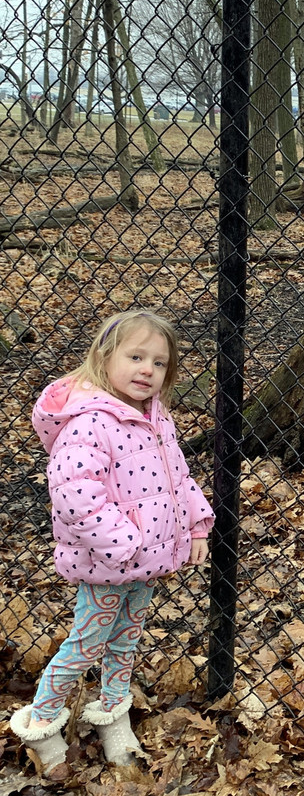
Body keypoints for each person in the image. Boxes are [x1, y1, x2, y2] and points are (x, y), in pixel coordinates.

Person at [8, 310, 215, 774]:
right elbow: (75, 495)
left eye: (159, 363)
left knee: (126, 639)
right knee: (85, 645)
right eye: (136, 357)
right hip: (109, 564)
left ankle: (112, 713)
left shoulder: (156, 418)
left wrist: (197, 525)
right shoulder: (87, 423)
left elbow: (178, 478)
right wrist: (125, 544)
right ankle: (41, 725)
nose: (147, 370)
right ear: (105, 357)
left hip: (147, 562)